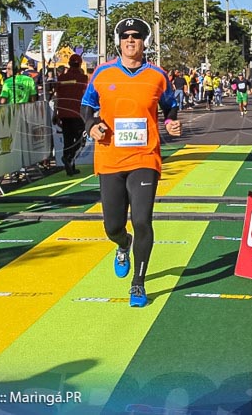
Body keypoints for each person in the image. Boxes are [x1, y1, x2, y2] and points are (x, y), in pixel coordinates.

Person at [81, 17, 182, 308]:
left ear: (144, 42)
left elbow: (170, 106)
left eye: (136, 36)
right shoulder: (102, 73)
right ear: (118, 41)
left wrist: (172, 122)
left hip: (144, 158)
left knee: (141, 220)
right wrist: (91, 126)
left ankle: (138, 283)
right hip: (110, 159)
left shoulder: (157, 75)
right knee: (113, 226)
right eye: (125, 36)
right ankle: (122, 245)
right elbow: (86, 107)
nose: (130, 40)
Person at [55, 53, 89, 176]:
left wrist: (55, 113)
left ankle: (69, 162)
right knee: (81, 140)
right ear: (80, 64)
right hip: (77, 113)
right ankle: (69, 158)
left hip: (64, 113)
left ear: (69, 64)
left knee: (67, 140)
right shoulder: (83, 78)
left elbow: (56, 96)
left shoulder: (61, 78)